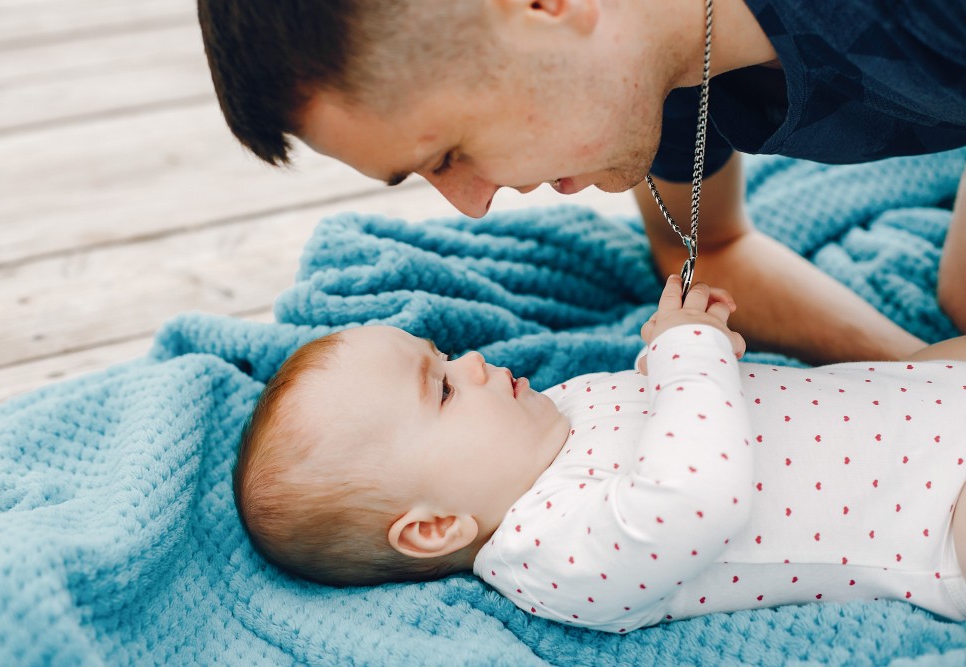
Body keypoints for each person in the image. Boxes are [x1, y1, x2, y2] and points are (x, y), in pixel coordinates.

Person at [197, 0, 966, 366]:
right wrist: (916, 370)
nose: (471, 203)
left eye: (449, 153)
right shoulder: (645, 78)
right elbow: (713, 249)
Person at [233, 276, 966, 633]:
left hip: (917, 396)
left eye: (447, 355)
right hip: (935, 518)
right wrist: (689, 357)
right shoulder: (551, 553)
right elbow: (694, 497)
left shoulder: (556, 411)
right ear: (434, 527)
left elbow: (677, 404)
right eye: (447, 390)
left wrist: (677, 350)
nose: (478, 363)